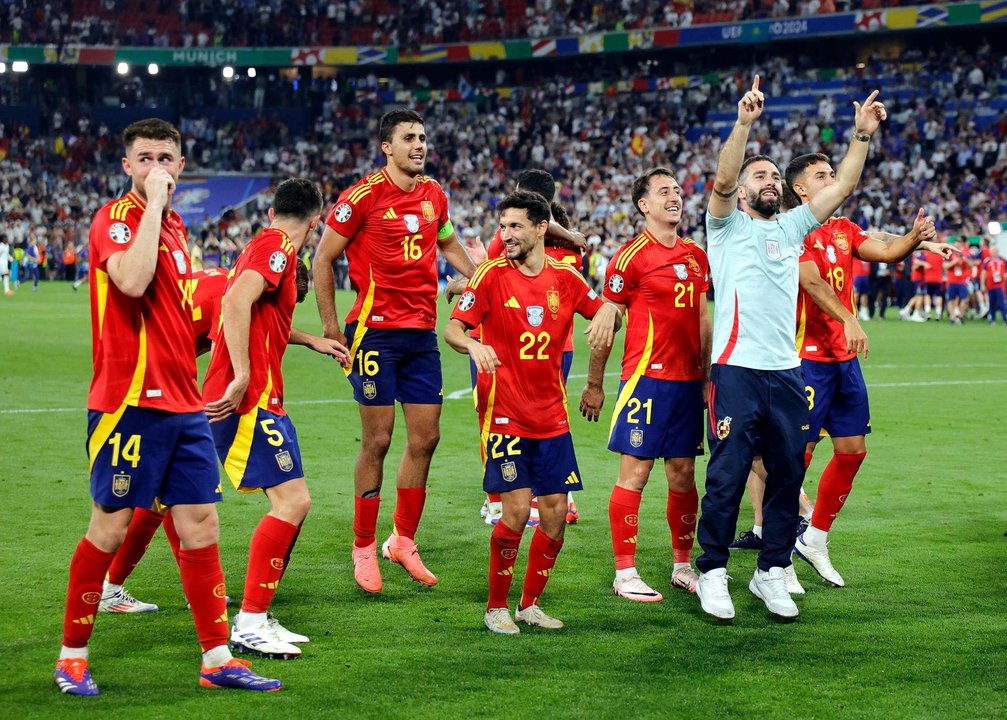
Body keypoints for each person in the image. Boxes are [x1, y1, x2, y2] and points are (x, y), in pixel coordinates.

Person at [54, 118, 281, 696]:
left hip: (184, 403)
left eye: (167, 158)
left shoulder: (178, 227)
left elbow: (178, 313)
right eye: (145, 158)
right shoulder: (115, 218)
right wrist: (152, 205)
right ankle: (72, 657)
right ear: (127, 166)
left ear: (182, 166)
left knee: (200, 523)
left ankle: (217, 658)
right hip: (128, 401)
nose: (158, 166)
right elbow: (131, 281)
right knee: (110, 526)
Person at [695, 76, 885, 622]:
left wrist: (861, 137)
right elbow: (725, 176)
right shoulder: (725, 227)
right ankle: (712, 572)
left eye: (776, 175)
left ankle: (771, 572)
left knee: (786, 476)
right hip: (735, 370)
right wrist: (743, 125)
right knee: (728, 476)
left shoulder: (796, 227)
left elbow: (842, 186)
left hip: (785, 372)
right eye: (763, 175)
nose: (771, 180)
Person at [731, 153, 950, 589]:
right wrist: (848, 318)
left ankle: (814, 539)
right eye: (822, 176)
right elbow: (809, 281)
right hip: (805, 359)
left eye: (833, 173)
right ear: (802, 190)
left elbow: (885, 250)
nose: (832, 179)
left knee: (853, 451)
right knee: (794, 460)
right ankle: (778, 561)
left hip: (843, 362)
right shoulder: (792, 228)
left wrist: (914, 238)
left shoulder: (844, 229)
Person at [98, 259, 323, 615]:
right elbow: (240, 328)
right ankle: (117, 587)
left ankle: (148, 588)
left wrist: (309, 339)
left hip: (151, 370)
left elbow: (257, 322)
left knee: (168, 491)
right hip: (146, 380)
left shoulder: (230, 284)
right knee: (167, 492)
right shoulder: (233, 298)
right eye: (285, 302)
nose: (282, 312)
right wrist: (244, 380)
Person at [313, 109, 478, 594]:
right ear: (387, 146)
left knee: (426, 438)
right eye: (409, 138)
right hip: (373, 334)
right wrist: (329, 326)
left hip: (420, 334)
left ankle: (402, 541)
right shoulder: (361, 197)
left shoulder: (434, 195)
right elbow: (324, 258)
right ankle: (363, 544)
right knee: (379, 440)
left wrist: (477, 280)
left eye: (423, 137)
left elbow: (450, 246)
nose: (419, 145)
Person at [444, 190, 617, 633]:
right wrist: (473, 342)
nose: (506, 235)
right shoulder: (489, 276)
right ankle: (496, 607)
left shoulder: (566, 278)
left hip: (552, 417)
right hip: (505, 416)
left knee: (556, 514)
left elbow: (607, 316)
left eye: (516, 226)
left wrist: (608, 317)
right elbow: (453, 328)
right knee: (517, 512)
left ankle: (529, 604)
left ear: (542, 228)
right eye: (503, 227)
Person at [204, 178, 350, 659]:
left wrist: (312, 341)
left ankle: (254, 614)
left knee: (177, 501)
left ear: (271, 211)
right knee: (293, 502)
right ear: (317, 221)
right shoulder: (278, 248)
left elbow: (264, 318)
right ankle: (248, 621)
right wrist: (243, 374)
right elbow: (233, 303)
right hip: (249, 400)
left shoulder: (265, 244)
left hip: (258, 398)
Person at [577, 167, 710, 602]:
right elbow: (606, 321)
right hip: (645, 381)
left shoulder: (695, 254)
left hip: (688, 383)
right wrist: (595, 383)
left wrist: (708, 375)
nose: (675, 196)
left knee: (684, 475)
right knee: (635, 474)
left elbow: (703, 318)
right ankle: (625, 573)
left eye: (677, 190)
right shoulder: (629, 256)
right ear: (644, 205)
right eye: (663, 192)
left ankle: (682, 566)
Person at [477, 169, 587, 527]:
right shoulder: (572, 248)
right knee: (553, 419)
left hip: (505, 346)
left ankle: (498, 499)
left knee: (495, 422)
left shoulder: (505, 241)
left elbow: (487, 274)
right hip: (561, 346)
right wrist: (569, 233)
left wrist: (465, 277)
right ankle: (559, 499)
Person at [982, 245, 1007, 324]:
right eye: (993, 251)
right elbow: (983, 273)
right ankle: (992, 319)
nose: (994, 253)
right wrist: (982, 284)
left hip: (1000, 285)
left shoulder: (1003, 260)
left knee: (1001, 302)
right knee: (991, 302)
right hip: (990, 285)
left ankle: (1005, 318)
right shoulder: (987, 261)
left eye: (995, 251)